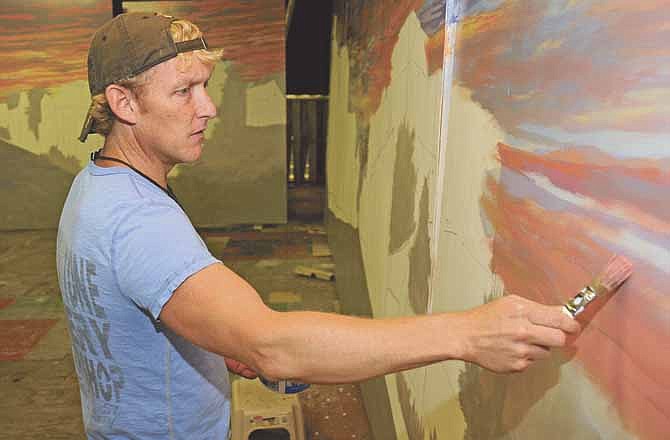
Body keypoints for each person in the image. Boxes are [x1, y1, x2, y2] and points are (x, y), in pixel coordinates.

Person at [57, 12, 580, 439]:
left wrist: (217, 341)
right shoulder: (140, 222)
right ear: (124, 102)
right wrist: (467, 333)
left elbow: (144, 302)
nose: (209, 107)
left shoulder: (99, 186)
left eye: (206, 86)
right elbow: (274, 347)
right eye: (184, 91)